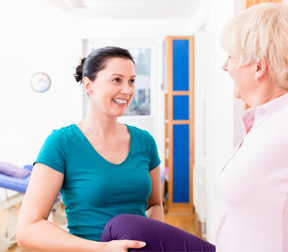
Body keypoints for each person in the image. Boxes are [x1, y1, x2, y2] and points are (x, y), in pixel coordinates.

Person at [98, 2, 288, 252]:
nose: (225, 66)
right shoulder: (260, 122)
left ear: (258, 67)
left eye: (231, 56)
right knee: (122, 227)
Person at [16, 46, 163, 252]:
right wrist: (101, 248)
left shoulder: (145, 141)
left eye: (131, 81)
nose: (128, 90)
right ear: (88, 85)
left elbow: (155, 205)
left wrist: (153, 241)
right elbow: (26, 230)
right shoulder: (62, 142)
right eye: (116, 80)